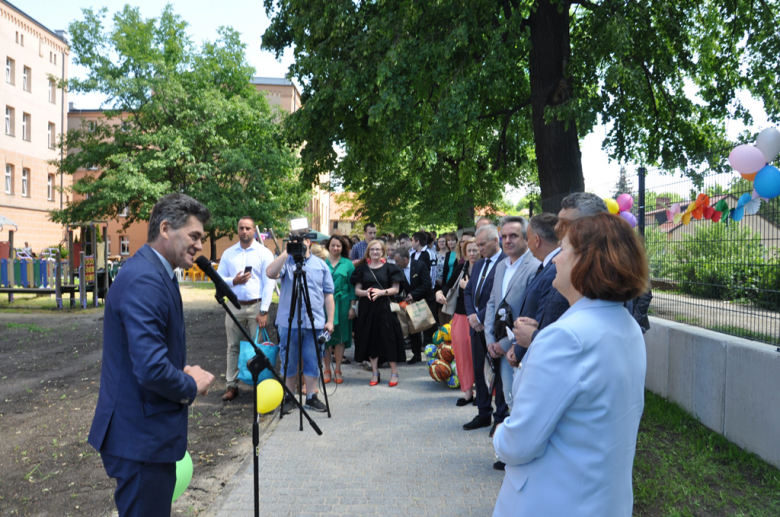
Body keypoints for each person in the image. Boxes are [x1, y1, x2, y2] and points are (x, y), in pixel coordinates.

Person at [492, 213, 648, 517]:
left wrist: (500, 432)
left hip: (553, 500)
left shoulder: (565, 337)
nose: (555, 261)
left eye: (563, 250)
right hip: (602, 499)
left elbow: (520, 442)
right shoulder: (626, 325)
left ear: (584, 261)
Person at [88, 193, 215, 516]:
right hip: (139, 439)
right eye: (194, 236)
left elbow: (149, 354)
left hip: (146, 435)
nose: (200, 245)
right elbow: (151, 367)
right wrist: (190, 384)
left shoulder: (158, 271)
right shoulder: (145, 278)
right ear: (165, 228)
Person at [266, 232, 335, 414]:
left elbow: (328, 294)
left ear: (309, 242)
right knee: (289, 359)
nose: (298, 244)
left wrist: (330, 321)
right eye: (293, 241)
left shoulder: (321, 265)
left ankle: (311, 396)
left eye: (300, 241)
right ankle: (289, 396)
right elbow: (270, 273)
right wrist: (286, 252)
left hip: (315, 322)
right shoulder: (286, 263)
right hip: (288, 323)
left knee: (313, 359)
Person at [484, 216, 540, 418]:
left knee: (523, 402)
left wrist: (506, 343)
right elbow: (492, 303)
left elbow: (532, 312)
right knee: (509, 399)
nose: (507, 240)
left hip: (522, 348)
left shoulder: (536, 267)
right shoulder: (501, 266)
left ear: (527, 239)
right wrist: (490, 340)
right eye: (504, 236)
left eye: (513, 236)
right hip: (499, 347)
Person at [216, 216, 275, 402]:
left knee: (257, 349)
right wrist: (234, 281)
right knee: (232, 347)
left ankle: (258, 385)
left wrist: (264, 310)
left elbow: (269, 283)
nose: (244, 231)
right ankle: (232, 385)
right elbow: (218, 278)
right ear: (237, 230)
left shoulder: (263, 253)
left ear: (253, 230)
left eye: (248, 228)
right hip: (235, 306)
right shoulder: (229, 253)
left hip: (257, 306)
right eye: (241, 228)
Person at [462, 224, 507, 433]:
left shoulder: (505, 262)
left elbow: (500, 297)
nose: (478, 249)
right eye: (477, 245)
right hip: (476, 327)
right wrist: (472, 316)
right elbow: (468, 292)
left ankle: (500, 417)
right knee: (481, 371)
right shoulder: (478, 265)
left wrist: (480, 317)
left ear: (495, 241)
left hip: (495, 328)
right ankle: (483, 413)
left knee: (499, 374)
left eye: (482, 244)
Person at [504, 213, 561, 368]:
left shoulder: (554, 269)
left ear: (536, 240)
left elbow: (547, 318)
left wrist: (519, 350)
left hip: (539, 354)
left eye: (527, 238)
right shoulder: (546, 267)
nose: (527, 244)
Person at [350, 240, 406, 386]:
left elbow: (396, 289)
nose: (375, 252)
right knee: (370, 340)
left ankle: (394, 372)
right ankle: (375, 372)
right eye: (372, 249)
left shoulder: (390, 268)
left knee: (389, 339)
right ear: (368, 252)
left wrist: (381, 292)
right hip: (367, 309)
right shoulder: (362, 269)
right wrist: (366, 292)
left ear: (383, 251)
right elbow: (357, 290)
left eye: (378, 249)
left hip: (385, 308)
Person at [435, 236, 478, 406]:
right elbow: (448, 285)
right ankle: (467, 392)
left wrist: (469, 288)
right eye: (469, 250)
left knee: (479, 356)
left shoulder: (486, 268)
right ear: (464, 252)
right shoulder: (462, 267)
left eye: (476, 250)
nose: (473, 253)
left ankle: (482, 392)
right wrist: (439, 293)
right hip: (460, 316)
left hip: (479, 316)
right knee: (461, 354)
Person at [323, 235, 356, 384]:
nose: (335, 248)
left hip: (342, 303)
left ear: (343, 248)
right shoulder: (322, 262)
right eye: (333, 245)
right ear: (328, 246)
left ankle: (337, 369)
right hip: (324, 303)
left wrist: (352, 307)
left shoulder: (348, 264)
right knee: (325, 338)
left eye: (339, 246)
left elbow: (353, 287)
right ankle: (326, 370)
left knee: (340, 338)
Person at [392, 247, 434, 364]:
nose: (396, 263)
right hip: (411, 303)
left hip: (425, 301)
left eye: (398, 261)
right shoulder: (399, 270)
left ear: (405, 259)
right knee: (413, 329)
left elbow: (427, 284)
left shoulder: (420, 265)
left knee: (429, 329)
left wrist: (413, 294)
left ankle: (434, 354)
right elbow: (400, 288)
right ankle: (416, 355)